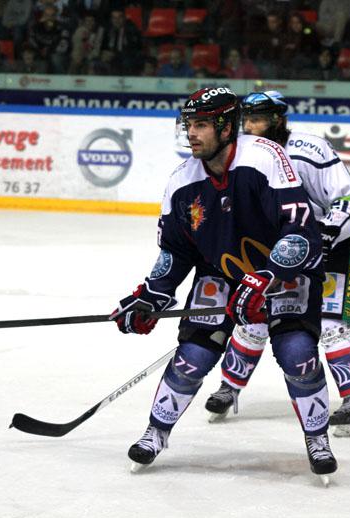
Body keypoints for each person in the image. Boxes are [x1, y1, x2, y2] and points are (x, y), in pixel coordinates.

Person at [112, 87, 337, 482]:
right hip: (222, 273)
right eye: (189, 125)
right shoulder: (182, 181)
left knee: (298, 354)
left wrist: (267, 277)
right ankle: (156, 432)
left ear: (226, 127)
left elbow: (300, 230)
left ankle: (317, 438)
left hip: (283, 271)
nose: (191, 133)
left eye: (201, 125)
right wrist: (151, 295)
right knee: (192, 357)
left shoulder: (264, 158)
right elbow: (175, 251)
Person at [205, 91, 350, 437]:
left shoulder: (310, 150)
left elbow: (349, 202)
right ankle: (229, 387)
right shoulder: (242, 155)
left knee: (332, 326)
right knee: (254, 317)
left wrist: (324, 236)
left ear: (278, 120)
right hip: (279, 252)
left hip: (333, 250)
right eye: (246, 120)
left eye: (257, 119)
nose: (249, 127)